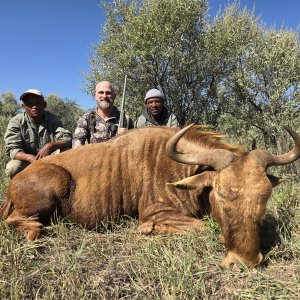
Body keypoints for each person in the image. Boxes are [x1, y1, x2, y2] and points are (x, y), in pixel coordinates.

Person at [4, 88, 72, 179]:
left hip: (49, 159)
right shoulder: (16, 121)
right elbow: (12, 149)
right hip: (26, 161)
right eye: (30, 104)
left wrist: (50, 145)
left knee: (67, 151)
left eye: (38, 103)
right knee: (12, 167)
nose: (34, 107)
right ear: (23, 106)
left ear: (44, 105)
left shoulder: (52, 119)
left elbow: (67, 139)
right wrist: (29, 158)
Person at [73, 80, 134, 147]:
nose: (104, 96)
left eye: (108, 93)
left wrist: (127, 137)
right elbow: (77, 144)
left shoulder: (126, 120)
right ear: (95, 95)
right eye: (101, 92)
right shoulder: (86, 118)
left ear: (114, 96)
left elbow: (134, 147)